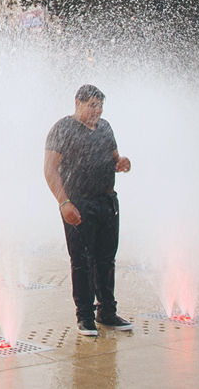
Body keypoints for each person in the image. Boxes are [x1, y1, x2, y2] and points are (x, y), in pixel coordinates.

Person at [45, 84, 134, 337]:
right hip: (79, 203)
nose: (97, 111)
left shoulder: (105, 127)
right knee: (82, 260)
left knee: (106, 260)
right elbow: (50, 169)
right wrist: (64, 203)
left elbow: (115, 159)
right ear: (78, 104)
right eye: (92, 105)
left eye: (100, 106)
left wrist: (122, 163)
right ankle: (84, 315)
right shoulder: (63, 128)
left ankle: (106, 311)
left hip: (106, 202)